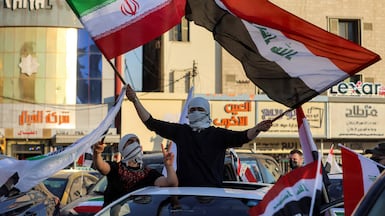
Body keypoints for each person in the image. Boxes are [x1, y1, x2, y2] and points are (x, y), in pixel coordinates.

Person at [125, 85, 273, 187]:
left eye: (199, 109)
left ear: (207, 112)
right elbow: (151, 123)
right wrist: (135, 100)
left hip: (213, 196)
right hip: (185, 195)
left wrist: (258, 129)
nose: (195, 112)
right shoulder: (181, 132)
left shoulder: (218, 135)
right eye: (192, 109)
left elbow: (243, 136)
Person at [93, 133, 178, 208]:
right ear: (122, 148)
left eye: (137, 142)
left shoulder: (148, 173)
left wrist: (169, 166)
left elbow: (171, 183)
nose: (135, 144)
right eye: (130, 142)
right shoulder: (116, 168)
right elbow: (101, 166)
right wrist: (97, 153)